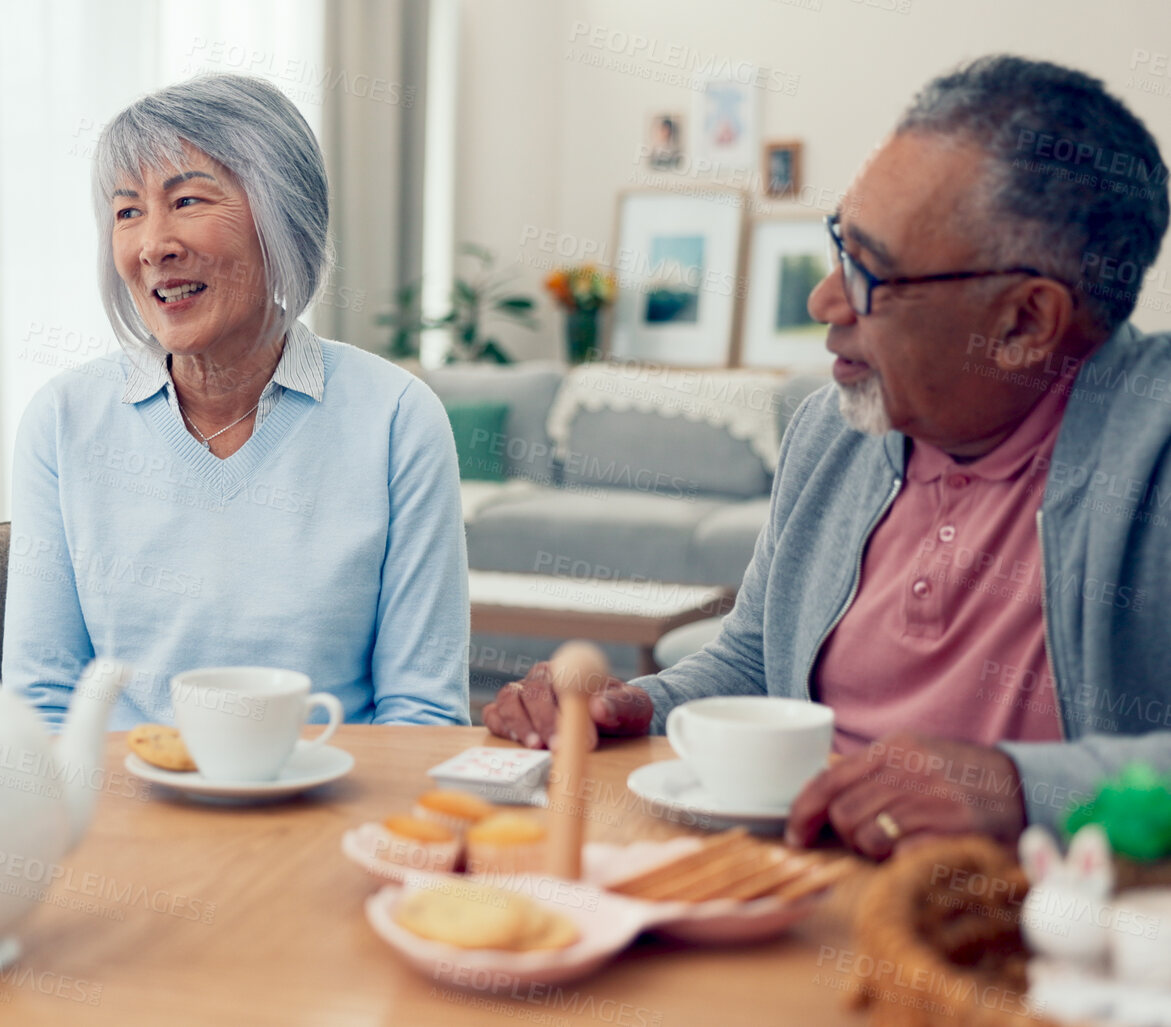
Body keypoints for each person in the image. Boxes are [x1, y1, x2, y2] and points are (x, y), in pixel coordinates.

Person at [484, 54, 1171, 859]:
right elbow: (753, 659)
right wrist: (639, 703)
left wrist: (1019, 787)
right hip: (790, 897)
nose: (823, 301)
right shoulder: (833, 430)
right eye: (839, 243)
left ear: (1023, 323)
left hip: (1042, 937)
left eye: (870, 271)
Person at [3, 75, 469, 729]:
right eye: (127, 210)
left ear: (282, 215)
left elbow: (420, 711)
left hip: (330, 812)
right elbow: (43, 705)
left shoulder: (396, 418)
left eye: (186, 199)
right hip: (125, 816)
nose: (151, 245)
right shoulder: (61, 421)